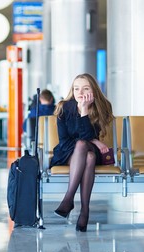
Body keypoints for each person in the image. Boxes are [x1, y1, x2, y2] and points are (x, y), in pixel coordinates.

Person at [51, 73, 114, 232]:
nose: (80, 92)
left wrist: (84, 110)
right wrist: (94, 140)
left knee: (85, 147)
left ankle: (69, 199)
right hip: (67, 151)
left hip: (90, 148)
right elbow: (64, 139)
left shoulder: (103, 106)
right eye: (76, 88)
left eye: (85, 88)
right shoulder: (64, 107)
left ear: (93, 90)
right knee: (89, 155)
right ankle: (85, 210)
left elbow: (86, 137)